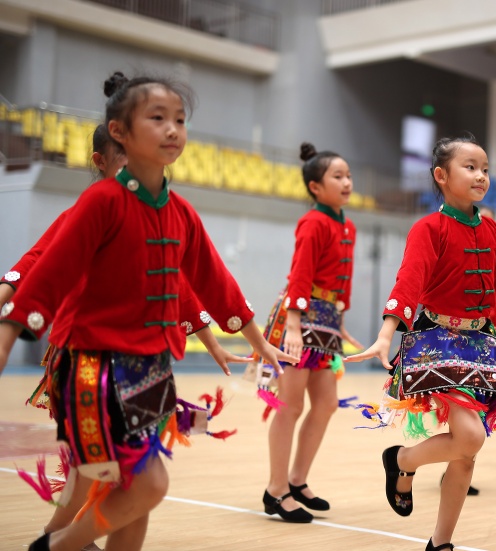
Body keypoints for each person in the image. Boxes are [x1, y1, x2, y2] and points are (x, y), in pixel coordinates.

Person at [0, 71, 296, 551]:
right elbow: (48, 273)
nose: (172, 129)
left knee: (137, 501)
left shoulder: (181, 212)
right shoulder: (100, 202)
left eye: (179, 119)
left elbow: (212, 284)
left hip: (153, 371)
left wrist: (258, 342)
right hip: (96, 370)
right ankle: (53, 546)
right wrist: (8, 333)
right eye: (157, 118)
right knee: (144, 485)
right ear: (119, 132)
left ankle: (55, 542)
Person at [346, 135, 496, 551]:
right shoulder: (428, 228)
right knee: (471, 437)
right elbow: (410, 280)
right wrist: (386, 333)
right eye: (470, 167)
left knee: (466, 452)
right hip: (436, 340)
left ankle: (440, 542)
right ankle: (401, 460)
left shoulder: (492, 231)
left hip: (481, 344)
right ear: (441, 176)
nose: (481, 176)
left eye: (485, 169)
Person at [261, 142, 361, 523]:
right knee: (289, 405)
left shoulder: (347, 225)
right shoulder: (313, 222)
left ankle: (297, 480)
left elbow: (343, 277)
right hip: (299, 318)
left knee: (326, 403)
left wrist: (340, 319)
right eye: (338, 176)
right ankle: (275, 490)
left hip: (326, 320)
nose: (347, 182)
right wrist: (293, 324)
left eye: (348, 175)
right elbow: (300, 273)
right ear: (316, 187)